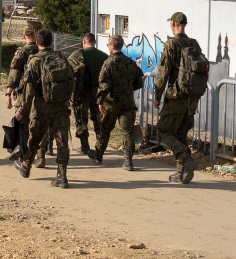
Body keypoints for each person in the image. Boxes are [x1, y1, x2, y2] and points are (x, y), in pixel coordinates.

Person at [154, 11, 210, 184]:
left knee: (164, 130)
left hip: (176, 96)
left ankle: (186, 159)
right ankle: (181, 173)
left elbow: (163, 73)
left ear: (172, 23)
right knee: (180, 133)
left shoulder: (171, 44)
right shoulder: (194, 44)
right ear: (184, 24)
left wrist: (157, 95)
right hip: (192, 96)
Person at [14, 28, 75, 188]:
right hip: (61, 106)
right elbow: (71, 80)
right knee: (62, 141)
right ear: (52, 42)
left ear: (37, 43)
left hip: (41, 107)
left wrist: (21, 110)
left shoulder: (35, 61)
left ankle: (26, 167)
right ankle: (62, 175)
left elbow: (28, 90)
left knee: (34, 138)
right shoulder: (62, 58)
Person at [90, 34, 144, 170]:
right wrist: (127, 89)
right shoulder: (130, 63)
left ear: (113, 46)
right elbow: (139, 82)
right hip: (127, 103)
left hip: (111, 103)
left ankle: (98, 155)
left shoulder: (108, 63)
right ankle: (128, 160)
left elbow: (103, 85)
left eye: (108, 45)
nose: (108, 47)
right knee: (127, 131)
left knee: (105, 129)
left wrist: (100, 101)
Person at [68, 32, 108, 155]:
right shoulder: (103, 56)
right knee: (98, 119)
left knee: (81, 120)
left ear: (84, 42)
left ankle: (85, 147)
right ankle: (99, 146)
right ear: (94, 42)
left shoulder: (76, 54)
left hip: (82, 93)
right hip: (99, 93)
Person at [5, 26, 40, 160]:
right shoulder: (42, 51)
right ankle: (41, 155)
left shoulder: (21, 52)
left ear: (24, 36)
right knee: (39, 123)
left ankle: (24, 152)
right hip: (42, 94)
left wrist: (9, 94)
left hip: (24, 93)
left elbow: (14, 75)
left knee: (23, 123)